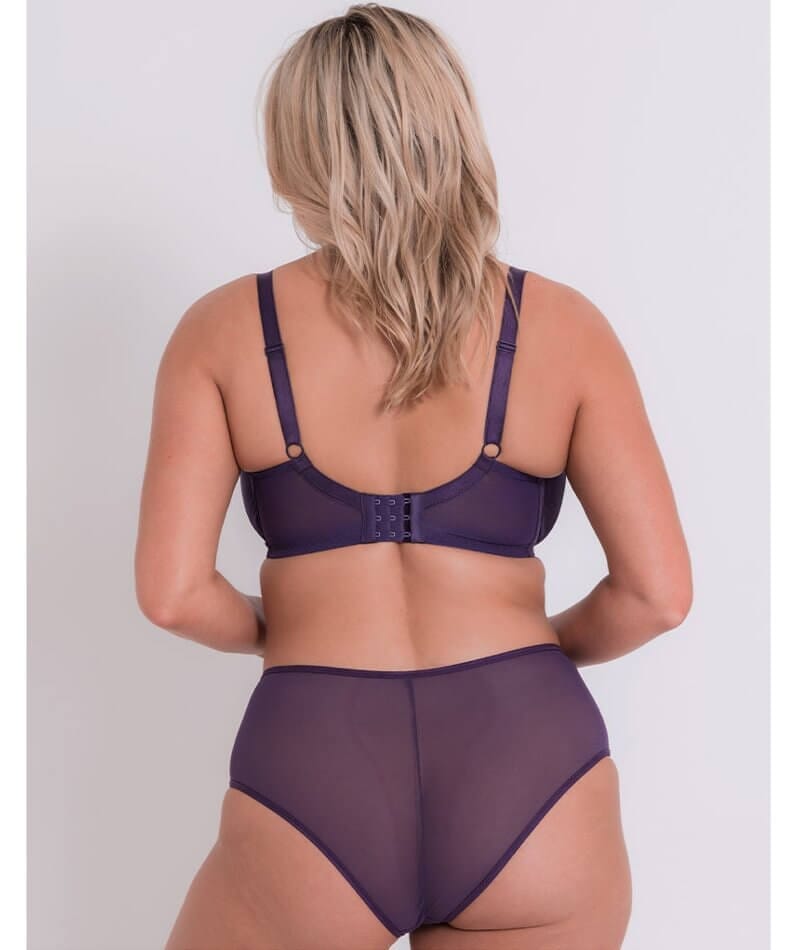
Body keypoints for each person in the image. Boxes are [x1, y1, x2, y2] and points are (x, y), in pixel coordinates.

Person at [135, 5, 692, 949]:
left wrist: (285, 631)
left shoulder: (222, 333)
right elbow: (659, 594)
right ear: (453, 129)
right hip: (531, 765)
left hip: (315, 759)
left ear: (294, 157)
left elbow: (173, 595)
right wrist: (532, 648)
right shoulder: (567, 329)